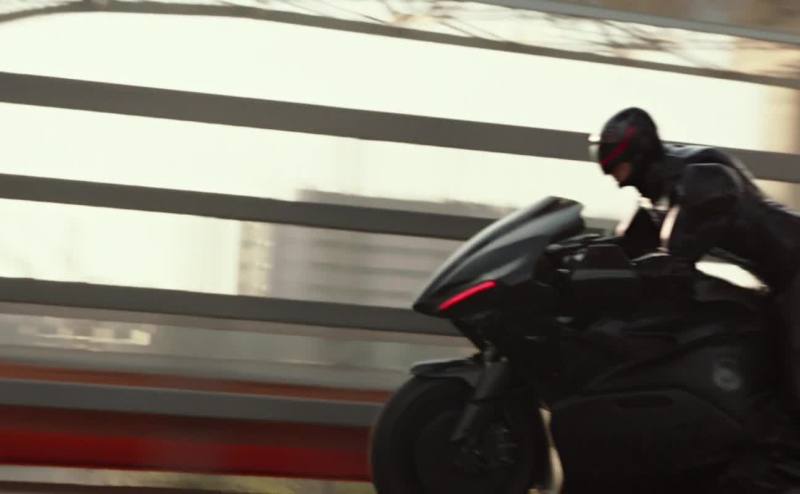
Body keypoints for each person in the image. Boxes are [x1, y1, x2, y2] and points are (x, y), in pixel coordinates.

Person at [589, 107, 800, 410]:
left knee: (794, 367)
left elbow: (675, 258)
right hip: (776, 279)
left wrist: (662, 268)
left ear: (638, 155)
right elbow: (626, 247)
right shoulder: (659, 191)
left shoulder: (699, 177)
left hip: (794, 267)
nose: (617, 180)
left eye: (619, 168)